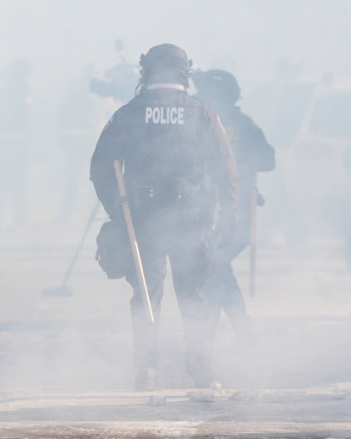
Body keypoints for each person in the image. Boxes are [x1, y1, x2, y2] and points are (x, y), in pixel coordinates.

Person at [90, 43, 239, 390]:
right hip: (191, 219)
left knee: (145, 296)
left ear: (146, 71)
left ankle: (147, 371)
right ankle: (202, 372)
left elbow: (100, 166)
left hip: (141, 219)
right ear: (184, 71)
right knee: (193, 295)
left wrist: (118, 205)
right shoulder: (202, 112)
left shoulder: (128, 113)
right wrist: (228, 214)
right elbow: (224, 168)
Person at [193, 69, 275, 345]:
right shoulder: (243, 124)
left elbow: (266, 161)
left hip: (227, 212)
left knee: (215, 265)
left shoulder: (197, 121)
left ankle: (219, 331)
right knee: (217, 266)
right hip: (215, 212)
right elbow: (267, 160)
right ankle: (240, 331)